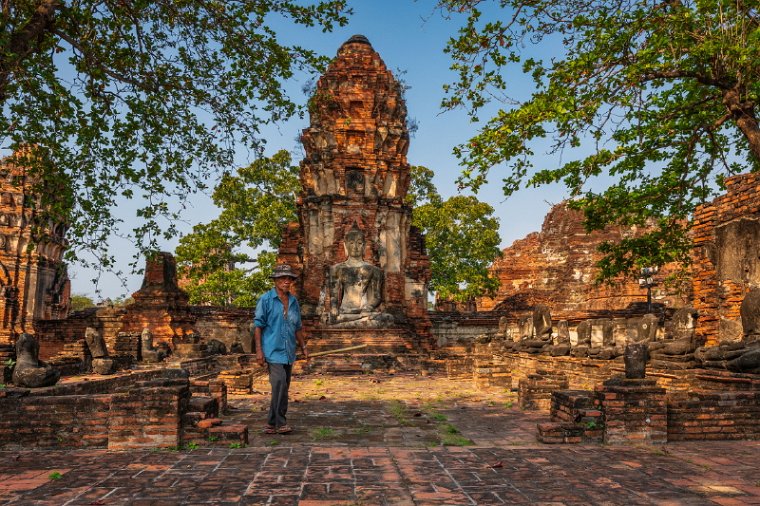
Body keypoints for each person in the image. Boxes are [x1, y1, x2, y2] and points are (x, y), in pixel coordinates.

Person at [254, 263, 308, 435]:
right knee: (279, 384)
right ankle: (280, 422)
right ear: (275, 280)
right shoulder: (266, 300)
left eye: (289, 278)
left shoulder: (293, 302)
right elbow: (258, 327)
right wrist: (259, 351)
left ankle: (270, 423)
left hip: (288, 351)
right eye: (282, 278)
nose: (286, 281)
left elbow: (298, 327)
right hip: (272, 350)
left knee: (283, 387)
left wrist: (304, 347)